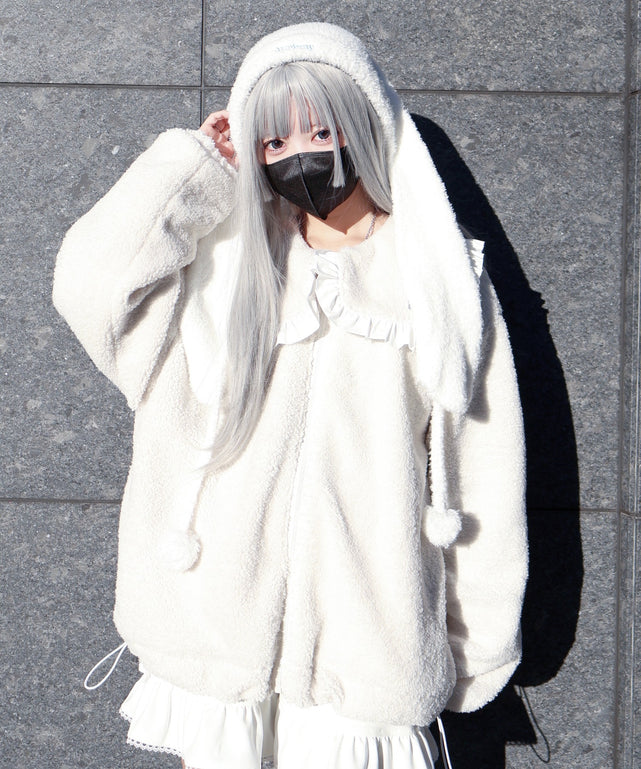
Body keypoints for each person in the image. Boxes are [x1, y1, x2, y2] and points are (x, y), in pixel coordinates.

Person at [53, 22, 528, 769]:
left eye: (320, 131)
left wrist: (477, 643)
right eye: (273, 140)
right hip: (213, 636)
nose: (299, 156)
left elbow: (484, 464)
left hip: (365, 656)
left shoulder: (436, 277)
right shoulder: (220, 268)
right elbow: (89, 285)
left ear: (364, 126)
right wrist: (195, 170)